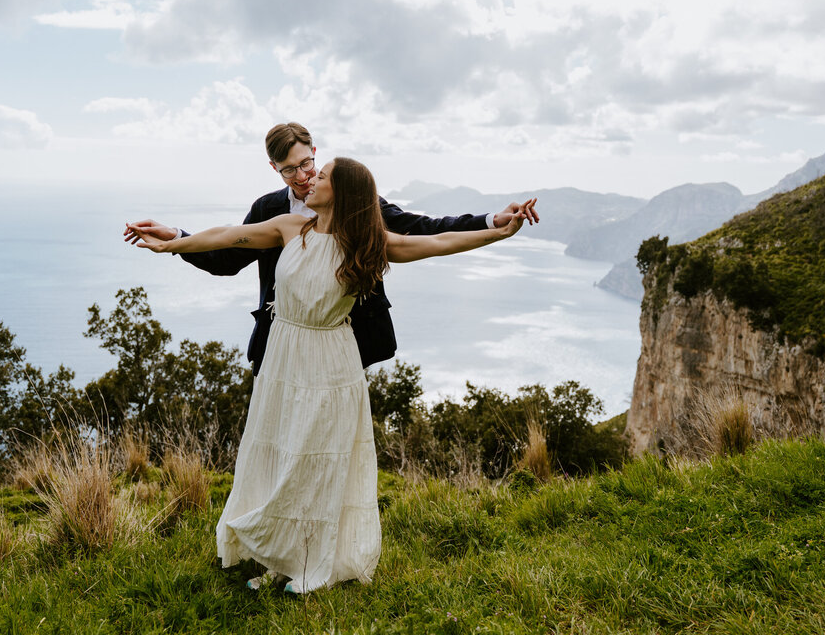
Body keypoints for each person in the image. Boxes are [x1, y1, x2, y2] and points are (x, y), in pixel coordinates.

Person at [128, 157, 537, 594]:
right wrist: (172, 240)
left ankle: (311, 565)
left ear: (340, 192)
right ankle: (276, 555)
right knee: (280, 456)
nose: (311, 179)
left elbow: (442, 241)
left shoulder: (368, 242)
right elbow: (226, 236)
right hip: (282, 357)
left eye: (321, 176)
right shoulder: (289, 226)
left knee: (314, 461)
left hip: (331, 361)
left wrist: (500, 231)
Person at [123, 122, 538, 374]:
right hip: (280, 340)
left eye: (307, 165)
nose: (303, 177)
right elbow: (225, 250)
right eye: (290, 170)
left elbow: (426, 231)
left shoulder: (358, 207)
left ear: (315, 154)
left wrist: (492, 223)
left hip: (345, 343)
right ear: (275, 169)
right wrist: (175, 239)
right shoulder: (274, 215)